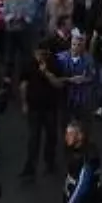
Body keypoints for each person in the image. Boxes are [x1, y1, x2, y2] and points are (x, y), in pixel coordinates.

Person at [20, 39, 63, 181]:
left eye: (43, 54)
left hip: (50, 107)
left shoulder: (55, 63)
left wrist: (47, 73)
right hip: (34, 108)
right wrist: (24, 103)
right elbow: (23, 84)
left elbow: (59, 84)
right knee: (33, 138)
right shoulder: (28, 63)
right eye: (38, 54)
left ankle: (49, 163)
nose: (40, 57)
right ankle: (30, 167)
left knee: (51, 136)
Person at [62, 119, 102, 203]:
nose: (67, 137)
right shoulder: (76, 150)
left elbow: (83, 184)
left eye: (71, 134)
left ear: (80, 136)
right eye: (66, 134)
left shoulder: (88, 157)